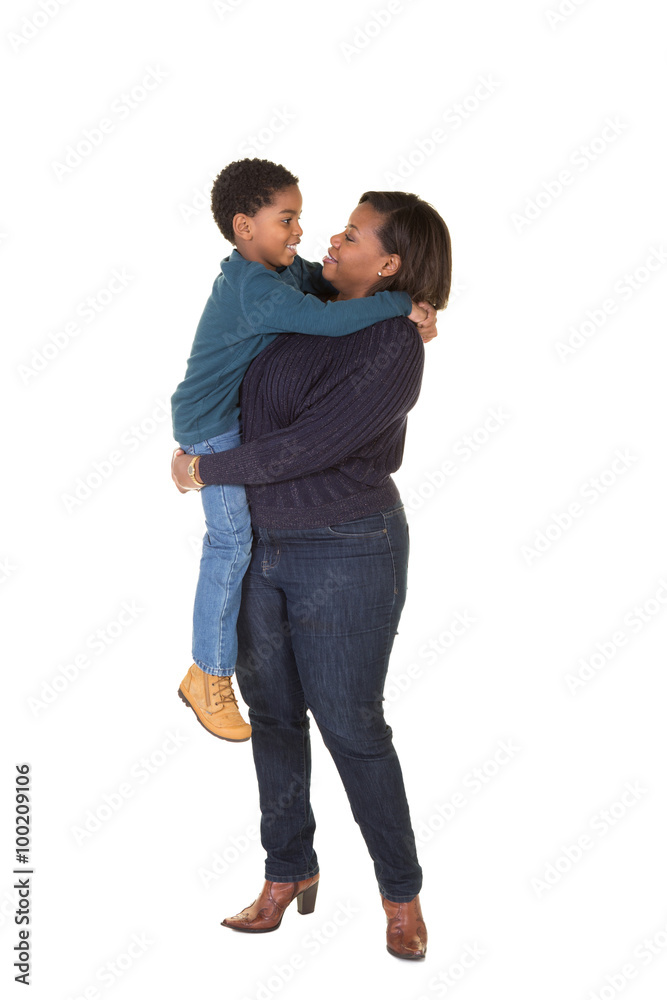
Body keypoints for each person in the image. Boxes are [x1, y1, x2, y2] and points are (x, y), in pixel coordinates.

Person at [171, 189, 451, 960]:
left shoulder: (391, 343)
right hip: (263, 544)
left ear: (389, 264)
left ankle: (400, 894)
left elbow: (307, 447)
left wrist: (202, 467)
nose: (331, 233)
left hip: (347, 548)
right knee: (274, 719)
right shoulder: (302, 296)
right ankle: (286, 871)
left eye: (354, 232)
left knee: (353, 730)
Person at [171, 158, 436, 742]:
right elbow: (326, 321)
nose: (301, 232)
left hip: (239, 436)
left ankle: (208, 669)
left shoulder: (280, 273)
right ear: (245, 228)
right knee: (229, 542)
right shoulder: (260, 291)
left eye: (302, 218)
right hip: (211, 425)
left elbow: (324, 283)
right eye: (286, 219)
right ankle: (206, 672)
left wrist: (413, 304)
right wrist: (398, 305)